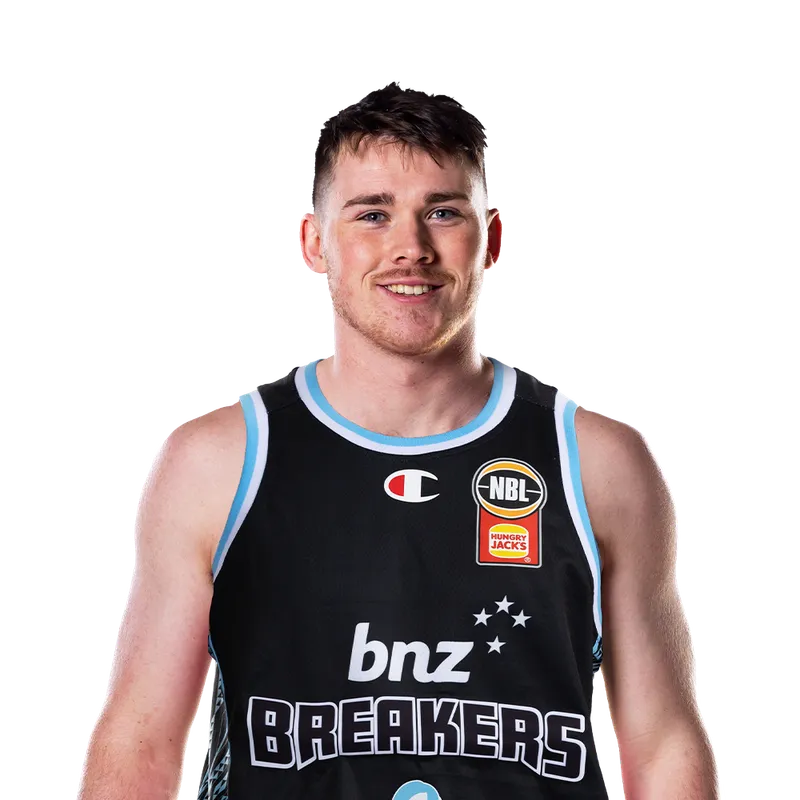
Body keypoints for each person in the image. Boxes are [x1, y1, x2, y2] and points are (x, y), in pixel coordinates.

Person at [78, 82, 718, 799]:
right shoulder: (217, 463)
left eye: (443, 212)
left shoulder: (597, 463)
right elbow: (140, 743)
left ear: (493, 238)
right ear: (314, 243)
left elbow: (664, 747)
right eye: (372, 215)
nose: (410, 249)